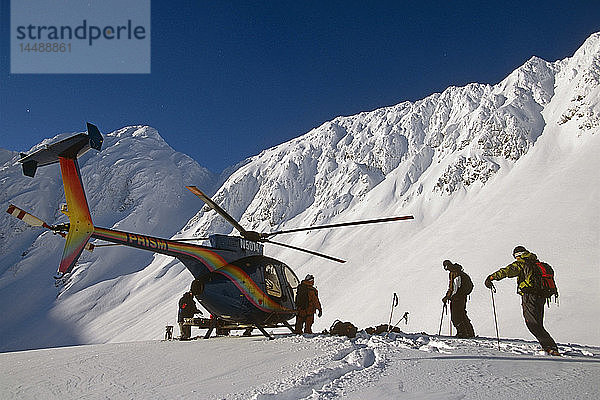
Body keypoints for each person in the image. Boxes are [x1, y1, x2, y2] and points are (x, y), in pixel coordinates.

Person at [485, 246, 560, 355]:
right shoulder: (540, 264)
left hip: (529, 295)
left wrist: (491, 278)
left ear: (517, 255)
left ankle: (550, 347)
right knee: (538, 323)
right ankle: (548, 346)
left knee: (532, 323)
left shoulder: (522, 263)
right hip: (542, 296)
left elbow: (508, 271)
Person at [442, 260, 475, 338]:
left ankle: (462, 333)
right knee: (462, 314)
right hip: (462, 297)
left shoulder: (455, 273)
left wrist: (448, 297)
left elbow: (454, 288)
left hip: (457, 298)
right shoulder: (457, 272)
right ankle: (469, 333)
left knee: (456, 316)